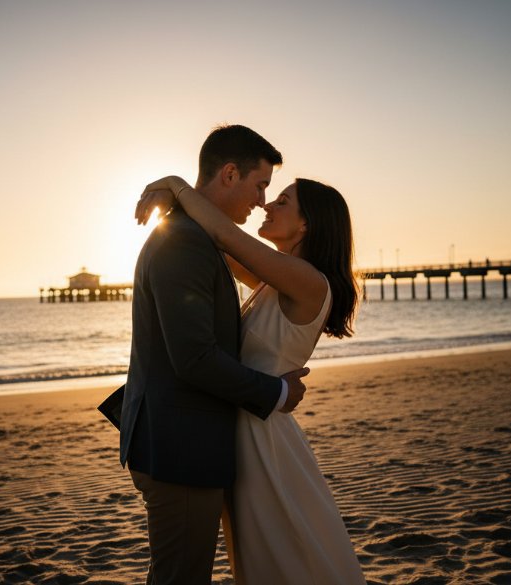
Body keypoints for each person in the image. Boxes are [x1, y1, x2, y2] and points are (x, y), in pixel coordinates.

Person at [135, 170, 367, 583]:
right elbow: (210, 241)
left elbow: (225, 236)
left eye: (282, 201)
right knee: (258, 555)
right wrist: (176, 205)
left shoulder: (309, 281)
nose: (266, 204)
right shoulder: (272, 281)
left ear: (306, 224)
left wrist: (175, 183)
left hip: (262, 438)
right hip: (244, 425)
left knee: (278, 554)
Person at [117, 125, 311, 585]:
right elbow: (195, 359)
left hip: (185, 440)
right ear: (229, 174)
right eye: (260, 184)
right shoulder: (184, 241)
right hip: (179, 447)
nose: (262, 200)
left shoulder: (199, 238)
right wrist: (278, 392)